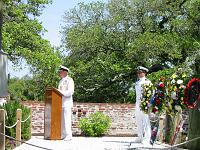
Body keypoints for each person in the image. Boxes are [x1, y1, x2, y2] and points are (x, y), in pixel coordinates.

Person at [134, 66, 151, 144]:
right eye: (138, 73)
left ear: (144, 73)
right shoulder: (137, 82)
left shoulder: (147, 82)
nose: (139, 74)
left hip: (144, 103)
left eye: (140, 72)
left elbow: (151, 93)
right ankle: (140, 137)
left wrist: (148, 103)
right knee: (138, 120)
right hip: (138, 103)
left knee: (145, 121)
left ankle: (147, 138)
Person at [58, 65, 74, 141]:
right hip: (60, 103)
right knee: (62, 120)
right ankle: (63, 134)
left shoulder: (70, 80)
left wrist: (61, 93)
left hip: (67, 103)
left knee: (67, 119)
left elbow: (70, 91)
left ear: (65, 72)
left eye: (60, 72)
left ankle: (68, 135)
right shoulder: (60, 81)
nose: (59, 73)